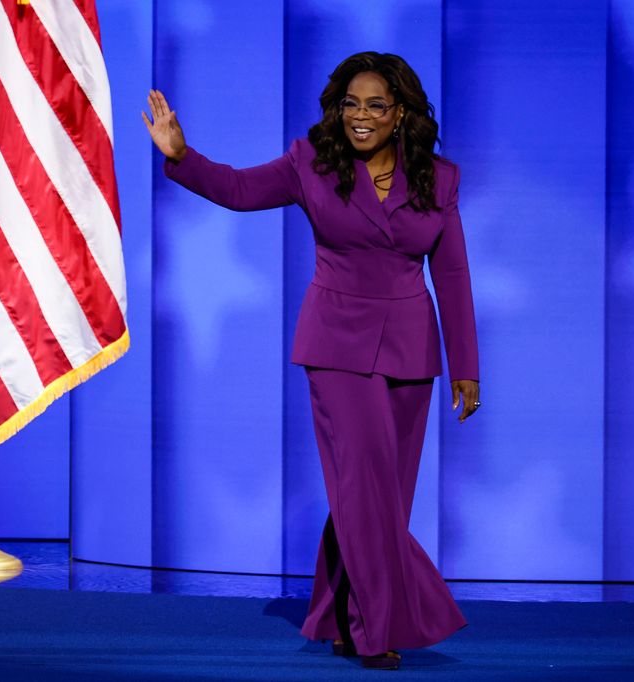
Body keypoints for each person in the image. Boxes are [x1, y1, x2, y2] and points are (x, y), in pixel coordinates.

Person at [143, 51, 480, 670]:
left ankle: (338, 615)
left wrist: (467, 365)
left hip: (410, 350)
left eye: (375, 105)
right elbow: (242, 190)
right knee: (366, 487)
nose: (360, 116)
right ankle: (380, 629)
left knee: (381, 496)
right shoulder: (311, 165)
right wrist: (181, 157)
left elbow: (452, 274)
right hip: (336, 346)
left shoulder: (439, 178)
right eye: (351, 104)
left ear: (400, 113)